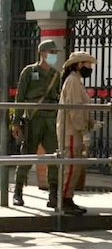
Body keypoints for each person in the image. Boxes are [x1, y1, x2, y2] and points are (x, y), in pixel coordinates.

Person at [11, 40, 62, 208]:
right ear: (42, 53)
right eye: (51, 52)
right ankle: (18, 191)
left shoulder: (56, 74)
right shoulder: (29, 71)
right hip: (33, 119)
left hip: (50, 120)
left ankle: (53, 194)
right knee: (27, 155)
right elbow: (20, 97)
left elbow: (59, 96)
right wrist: (16, 121)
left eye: (55, 52)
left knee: (54, 157)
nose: (54, 55)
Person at [57, 51, 97, 215]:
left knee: (74, 166)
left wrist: (91, 123)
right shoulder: (73, 81)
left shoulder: (75, 81)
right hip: (72, 131)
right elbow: (75, 110)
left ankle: (68, 198)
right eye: (88, 64)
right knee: (71, 167)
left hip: (74, 130)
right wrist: (83, 129)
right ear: (80, 64)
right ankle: (64, 200)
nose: (90, 68)